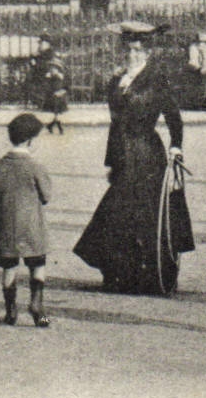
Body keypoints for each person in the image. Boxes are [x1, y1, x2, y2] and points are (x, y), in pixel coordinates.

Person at [73, 22, 192, 295]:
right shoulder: (118, 80)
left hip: (147, 154)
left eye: (139, 49)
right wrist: (111, 161)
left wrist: (176, 147)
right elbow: (115, 124)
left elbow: (174, 117)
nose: (133, 54)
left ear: (147, 52)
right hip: (123, 156)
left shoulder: (157, 78)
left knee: (145, 214)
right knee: (117, 214)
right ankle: (119, 275)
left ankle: (151, 276)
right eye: (129, 49)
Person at [0, 113, 54, 327]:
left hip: (4, 226)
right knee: (38, 264)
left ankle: (10, 310)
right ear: (31, 140)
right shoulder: (36, 167)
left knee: (9, 267)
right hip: (32, 226)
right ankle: (37, 306)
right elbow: (46, 196)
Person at [30, 39, 68, 133]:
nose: (40, 45)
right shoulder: (42, 54)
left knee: (55, 106)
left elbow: (47, 66)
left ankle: (53, 123)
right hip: (50, 85)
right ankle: (54, 123)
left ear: (47, 44)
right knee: (55, 107)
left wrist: (36, 64)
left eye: (42, 43)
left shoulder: (49, 55)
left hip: (53, 86)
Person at [185, 32, 206, 111]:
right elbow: (193, 61)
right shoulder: (193, 48)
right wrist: (200, 68)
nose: (202, 43)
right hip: (195, 69)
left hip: (204, 68)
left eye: (204, 42)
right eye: (201, 41)